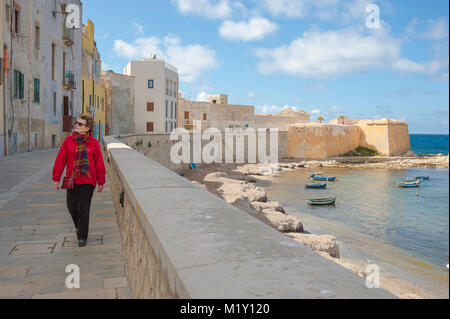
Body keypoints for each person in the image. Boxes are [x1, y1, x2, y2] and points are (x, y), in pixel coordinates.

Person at [52, 115, 106, 247]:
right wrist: (56, 178)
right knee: (71, 207)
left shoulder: (93, 143)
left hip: (88, 181)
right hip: (72, 180)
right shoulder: (68, 141)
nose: (76, 125)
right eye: (76, 123)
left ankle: (82, 236)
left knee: (84, 208)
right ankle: (79, 226)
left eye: (80, 124)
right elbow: (60, 159)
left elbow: (99, 163)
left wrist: (101, 181)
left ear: (87, 128)